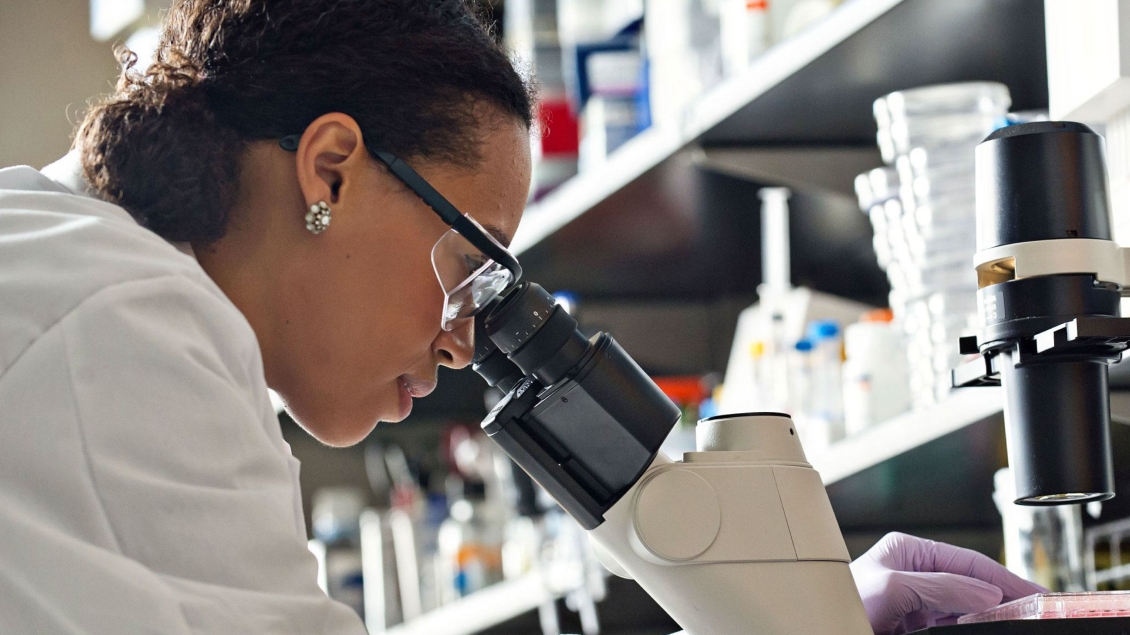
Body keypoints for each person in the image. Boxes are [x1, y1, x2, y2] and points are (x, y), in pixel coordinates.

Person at [0, 1, 1042, 633]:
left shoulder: (69, 261)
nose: (463, 341)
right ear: (330, 169)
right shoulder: (126, 320)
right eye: (473, 260)